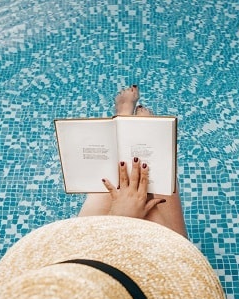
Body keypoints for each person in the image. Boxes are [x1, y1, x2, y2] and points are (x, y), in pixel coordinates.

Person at [76, 85, 189, 238]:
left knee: (110, 185)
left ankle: (122, 122)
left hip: (92, 249)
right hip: (160, 252)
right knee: (151, 177)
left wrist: (119, 215)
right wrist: (128, 214)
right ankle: (148, 142)